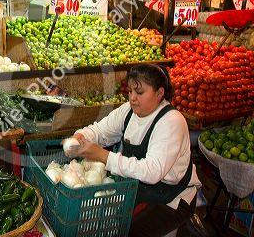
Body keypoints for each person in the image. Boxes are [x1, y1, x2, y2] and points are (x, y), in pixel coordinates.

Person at [65, 64, 202, 237]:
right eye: (130, 91)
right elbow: (100, 131)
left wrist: (104, 156)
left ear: (159, 93)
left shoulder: (171, 122)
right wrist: (80, 137)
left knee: (129, 231)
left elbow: (152, 172)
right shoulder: (128, 111)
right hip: (140, 190)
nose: (132, 98)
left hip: (172, 199)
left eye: (140, 92)